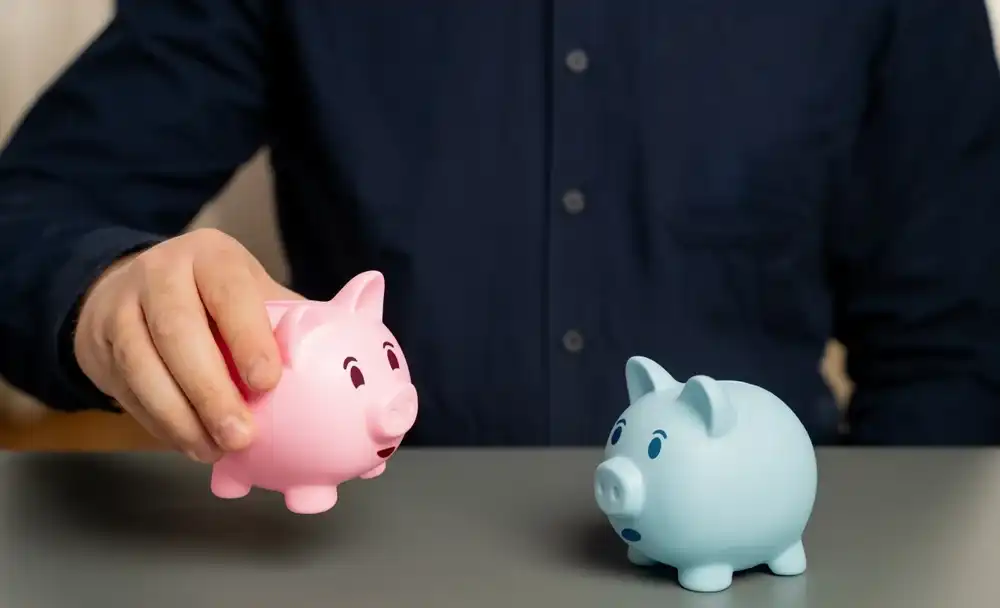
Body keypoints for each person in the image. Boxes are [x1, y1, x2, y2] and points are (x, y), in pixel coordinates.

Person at [1, 0, 999, 460]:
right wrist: (106, 291)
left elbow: (951, 357)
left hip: (767, 560)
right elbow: (29, 215)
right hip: (364, 570)